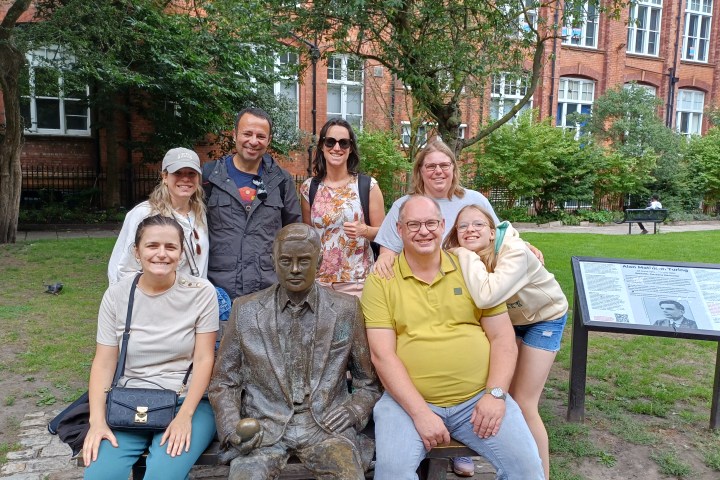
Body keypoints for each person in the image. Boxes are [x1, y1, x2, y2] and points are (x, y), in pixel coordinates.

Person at [361, 195, 544, 480]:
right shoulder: (381, 279)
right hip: (406, 404)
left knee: (528, 470)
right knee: (392, 473)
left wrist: (495, 395)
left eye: (431, 223)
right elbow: (382, 355)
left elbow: (503, 340)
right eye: (414, 224)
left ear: (443, 225)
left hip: (478, 399)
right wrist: (421, 413)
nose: (424, 231)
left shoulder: (471, 269)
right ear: (399, 229)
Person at [209, 223, 381, 479]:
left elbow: (368, 382)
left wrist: (354, 410)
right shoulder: (245, 310)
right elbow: (223, 382)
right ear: (274, 261)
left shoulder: (346, 309)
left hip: (326, 426)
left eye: (304, 260)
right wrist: (233, 427)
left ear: (320, 261)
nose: (295, 269)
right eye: (286, 261)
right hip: (265, 427)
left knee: (347, 472)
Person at [83, 215, 218, 479]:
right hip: (128, 401)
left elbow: (204, 358)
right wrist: (97, 421)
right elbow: (104, 362)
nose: (161, 254)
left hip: (187, 401)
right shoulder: (117, 295)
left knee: (163, 475)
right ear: (136, 251)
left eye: (170, 247)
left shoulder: (201, 292)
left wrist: (184, 417)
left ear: (181, 253)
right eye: (152, 245)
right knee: (101, 475)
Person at [443, 205, 568, 480]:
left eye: (477, 224)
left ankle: (540, 475)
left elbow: (488, 296)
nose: (470, 230)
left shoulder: (515, 251)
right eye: (462, 227)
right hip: (508, 322)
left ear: (492, 232)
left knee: (524, 402)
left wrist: (463, 253)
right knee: (501, 393)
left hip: (543, 318)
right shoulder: (466, 256)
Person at [202, 107, 301, 300]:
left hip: (268, 289)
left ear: (269, 140)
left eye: (261, 136)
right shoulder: (210, 176)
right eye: (247, 134)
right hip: (219, 291)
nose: (253, 141)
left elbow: (294, 234)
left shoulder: (281, 180)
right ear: (234, 135)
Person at [300, 118, 385, 297]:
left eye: (343, 143)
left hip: (358, 283)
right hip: (318, 283)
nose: (336, 148)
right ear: (322, 146)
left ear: (351, 148)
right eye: (330, 142)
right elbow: (308, 237)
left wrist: (364, 230)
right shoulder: (309, 188)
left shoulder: (367, 185)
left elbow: (383, 233)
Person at [108, 148, 208, 284]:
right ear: (165, 177)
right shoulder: (144, 213)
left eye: (191, 173)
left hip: (193, 300)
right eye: (177, 173)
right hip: (157, 300)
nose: (185, 178)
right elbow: (123, 268)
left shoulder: (199, 213)